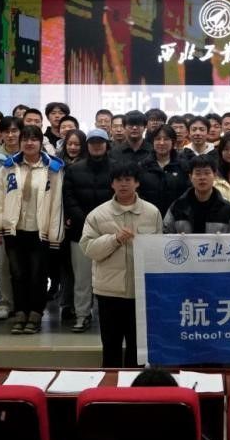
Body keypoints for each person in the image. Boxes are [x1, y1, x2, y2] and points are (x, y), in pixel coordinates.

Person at [81, 163, 163, 368]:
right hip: (109, 292)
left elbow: (159, 250)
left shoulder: (152, 212)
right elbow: (89, 249)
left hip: (140, 293)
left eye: (128, 180)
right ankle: (110, 386)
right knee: (111, 348)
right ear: (112, 184)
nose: (123, 184)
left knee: (138, 350)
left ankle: (135, 387)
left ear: (137, 183)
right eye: (118, 180)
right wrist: (115, 239)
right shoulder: (97, 214)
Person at [0, 125, 64, 334]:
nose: (29, 143)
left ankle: (35, 313)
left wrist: (55, 234)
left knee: (37, 275)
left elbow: (57, 203)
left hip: (40, 230)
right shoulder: (9, 166)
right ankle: (20, 312)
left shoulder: (53, 168)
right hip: (14, 230)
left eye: (34, 139)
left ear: (41, 142)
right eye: (25, 139)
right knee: (17, 274)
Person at [62, 128, 115, 332]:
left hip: (111, 233)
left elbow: (120, 198)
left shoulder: (117, 168)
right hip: (80, 232)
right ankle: (82, 315)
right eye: (92, 142)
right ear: (88, 145)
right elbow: (68, 199)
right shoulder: (74, 170)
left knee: (110, 278)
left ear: (106, 144)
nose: (96, 145)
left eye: (100, 142)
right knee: (82, 278)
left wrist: (105, 222)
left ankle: (108, 317)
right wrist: (87, 222)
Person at [0, 116, 22, 320]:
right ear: (0, 134)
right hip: (1, 216)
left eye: (14, 131)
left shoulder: (30, 155)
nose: (10, 135)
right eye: (6, 131)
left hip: (25, 220)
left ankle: (23, 304)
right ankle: (5, 302)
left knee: (22, 265)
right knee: (2, 263)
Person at [55, 128, 88, 322]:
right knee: (65, 266)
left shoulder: (88, 165)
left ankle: (81, 306)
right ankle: (67, 303)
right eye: (70, 144)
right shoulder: (56, 165)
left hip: (79, 221)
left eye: (77, 144)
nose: (73, 147)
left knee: (81, 269)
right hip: (59, 221)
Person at [163, 156, 230, 233]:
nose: (202, 177)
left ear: (215, 175)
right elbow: (166, 235)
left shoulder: (228, 209)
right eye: (198, 173)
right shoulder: (177, 207)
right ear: (190, 177)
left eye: (207, 173)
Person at [138, 125, 190, 217]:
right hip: (148, 216)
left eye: (166, 139)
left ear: (173, 142)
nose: (161, 143)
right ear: (153, 141)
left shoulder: (183, 166)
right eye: (158, 139)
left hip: (177, 217)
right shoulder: (143, 166)